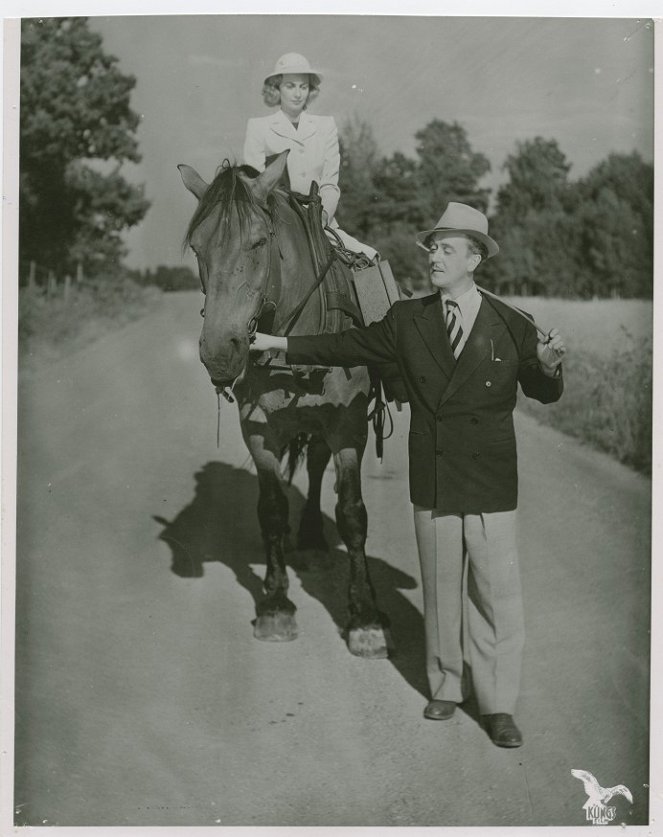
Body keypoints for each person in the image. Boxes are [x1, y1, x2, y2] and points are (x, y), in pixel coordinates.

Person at [249, 202, 567, 748]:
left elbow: (544, 391)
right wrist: (280, 343)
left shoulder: (512, 322)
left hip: (490, 478)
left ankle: (498, 705)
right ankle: (446, 684)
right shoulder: (407, 319)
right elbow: (344, 346)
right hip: (436, 475)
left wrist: (549, 362)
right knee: (442, 588)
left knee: (495, 594)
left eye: (447, 249)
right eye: (433, 249)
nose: (434, 258)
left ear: (474, 259)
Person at [243, 52, 377, 260]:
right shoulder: (259, 128)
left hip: (320, 222)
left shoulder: (326, 126)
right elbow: (254, 188)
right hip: (276, 225)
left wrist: (322, 216)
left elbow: (330, 183)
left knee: (370, 258)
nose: (298, 94)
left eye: (303, 87)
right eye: (290, 86)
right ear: (276, 88)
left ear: (310, 90)